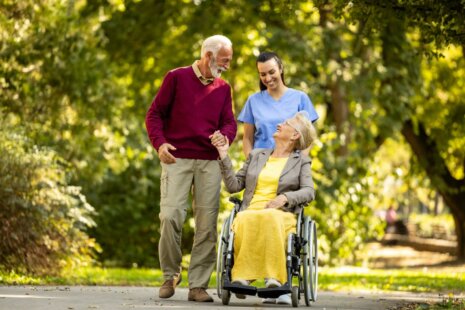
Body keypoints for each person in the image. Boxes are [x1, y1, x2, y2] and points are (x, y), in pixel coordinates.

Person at [145, 35, 237, 302]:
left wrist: (225, 137)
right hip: (177, 158)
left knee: (207, 224)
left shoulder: (223, 88)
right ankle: (170, 274)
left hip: (209, 162)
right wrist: (160, 144)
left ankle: (198, 285)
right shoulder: (176, 78)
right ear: (208, 56)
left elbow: (229, 122)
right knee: (170, 215)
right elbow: (154, 114)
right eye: (225, 60)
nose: (228, 65)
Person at [211, 111, 317, 305]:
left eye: (286, 123)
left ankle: (275, 278)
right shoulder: (256, 155)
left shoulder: (301, 162)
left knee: (270, 217)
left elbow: (309, 191)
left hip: (282, 214)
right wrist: (224, 155)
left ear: (295, 135)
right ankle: (242, 276)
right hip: (252, 209)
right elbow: (233, 186)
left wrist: (285, 197)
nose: (280, 124)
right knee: (243, 218)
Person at [238, 51, 319, 157]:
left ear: (280, 69)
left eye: (271, 72)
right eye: (263, 74)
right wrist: (251, 163)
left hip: (291, 166)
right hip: (261, 165)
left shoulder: (300, 98)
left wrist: (299, 162)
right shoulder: (253, 101)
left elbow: (309, 137)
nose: (267, 78)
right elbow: (248, 138)